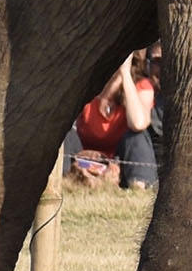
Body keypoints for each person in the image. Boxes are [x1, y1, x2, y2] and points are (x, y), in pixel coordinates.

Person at [66, 51, 159, 190]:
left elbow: (138, 123)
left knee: (136, 136)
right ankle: (63, 181)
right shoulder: (87, 85)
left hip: (119, 159)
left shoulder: (142, 85)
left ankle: (139, 186)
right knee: (65, 134)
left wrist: (125, 75)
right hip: (82, 157)